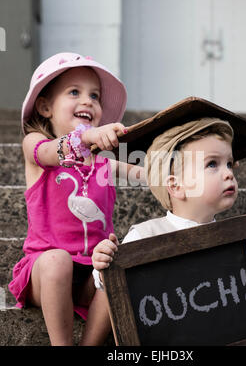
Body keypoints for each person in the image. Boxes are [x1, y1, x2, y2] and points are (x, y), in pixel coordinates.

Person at [8, 52, 144, 346]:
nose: (88, 101)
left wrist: (181, 170)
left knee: (117, 267)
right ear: (45, 106)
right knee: (57, 261)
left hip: (88, 275)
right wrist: (85, 138)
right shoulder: (36, 146)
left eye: (95, 96)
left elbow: (143, 173)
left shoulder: (103, 163)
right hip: (44, 272)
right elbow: (49, 152)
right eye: (74, 92)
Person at [92, 118, 246, 294]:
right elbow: (119, 290)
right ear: (176, 186)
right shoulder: (145, 236)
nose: (228, 173)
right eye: (212, 164)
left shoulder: (239, 238)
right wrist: (104, 267)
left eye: (229, 163)